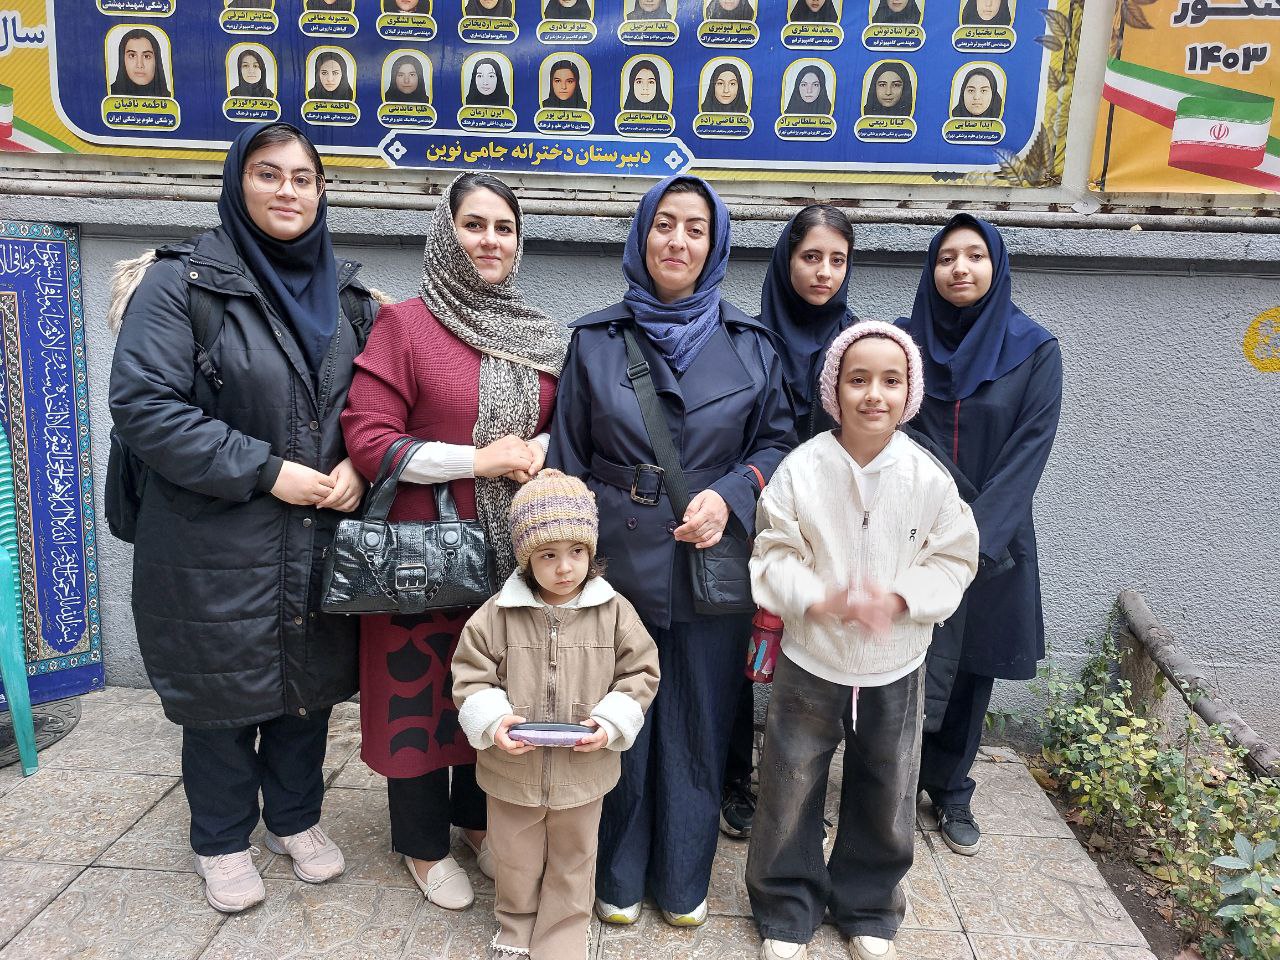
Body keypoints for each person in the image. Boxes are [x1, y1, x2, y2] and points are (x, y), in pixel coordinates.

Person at [108, 122, 380, 915]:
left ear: (322, 192)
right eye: (269, 174)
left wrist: (359, 462)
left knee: (306, 688)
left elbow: (370, 405)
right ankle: (222, 838)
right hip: (212, 538)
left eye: (303, 177)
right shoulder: (181, 285)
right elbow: (147, 407)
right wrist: (267, 472)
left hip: (317, 532)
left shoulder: (349, 300)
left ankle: (294, 817)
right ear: (238, 183)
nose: (287, 191)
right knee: (222, 693)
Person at [547, 175, 795, 928]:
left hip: (710, 563)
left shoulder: (753, 346)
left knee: (698, 719)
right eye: (664, 224)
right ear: (640, 235)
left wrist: (733, 495)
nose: (677, 241)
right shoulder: (594, 341)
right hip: (614, 561)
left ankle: (684, 878)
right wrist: (573, 560)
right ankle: (618, 874)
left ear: (715, 244)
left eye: (695, 227)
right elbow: (567, 457)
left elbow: (778, 445)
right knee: (618, 718)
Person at [341, 172, 569, 911]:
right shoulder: (405, 326)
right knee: (419, 693)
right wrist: (480, 459)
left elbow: (561, 425)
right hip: (421, 555)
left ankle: (474, 821)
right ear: (445, 233)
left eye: (504, 227)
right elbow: (370, 439)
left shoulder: (538, 332)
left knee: (491, 690)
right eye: (474, 225)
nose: (490, 241)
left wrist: (538, 450)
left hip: (510, 556)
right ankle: (421, 842)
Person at [746, 321, 978, 960]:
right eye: (858, 379)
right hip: (811, 658)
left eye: (890, 380)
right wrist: (817, 597)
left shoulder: (928, 477)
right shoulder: (802, 469)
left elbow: (954, 558)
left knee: (888, 784)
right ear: (834, 390)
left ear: (909, 393)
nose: (874, 394)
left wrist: (900, 600)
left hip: (894, 662)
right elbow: (772, 552)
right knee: (790, 782)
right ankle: (785, 904)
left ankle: (869, 904)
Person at [895, 216, 1060, 858]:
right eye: (946, 258)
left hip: (993, 540)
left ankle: (951, 787)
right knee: (898, 660)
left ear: (997, 265)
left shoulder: (1035, 351)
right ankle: (890, 781)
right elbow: (891, 431)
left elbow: (1027, 455)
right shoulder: (902, 343)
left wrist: (972, 543)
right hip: (909, 533)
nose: (959, 268)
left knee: (969, 668)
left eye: (974, 255)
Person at [453, 470, 661, 960]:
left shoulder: (614, 611)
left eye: (576, 551)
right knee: (514, 856)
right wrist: (492, 721)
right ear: (526, 557)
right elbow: (470, 675)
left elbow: (641, 672)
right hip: (511, 769)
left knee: (575, 857)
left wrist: (612, 722)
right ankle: (515, 925)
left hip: (584, 769)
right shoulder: (497, 614)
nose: (565, 567)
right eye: (547, 554)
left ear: (591, 551)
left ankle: (564, 934)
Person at [719, 205, 855, 841]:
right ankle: (733, 778)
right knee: (738, 654)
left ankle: (799, 785)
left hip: (828, 527)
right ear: (786, 260)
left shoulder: (858, 342)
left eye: (838, 260)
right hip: (754, 519)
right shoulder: (746, 339)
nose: (824, 272)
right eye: (811, 257)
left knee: (813, 656)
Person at [109, 28, 170, 98]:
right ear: (122, 59)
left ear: (156, 60)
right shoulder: (107, 94)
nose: (139, 65)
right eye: (132, 55)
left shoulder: (170, 99)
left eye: (146, 56)